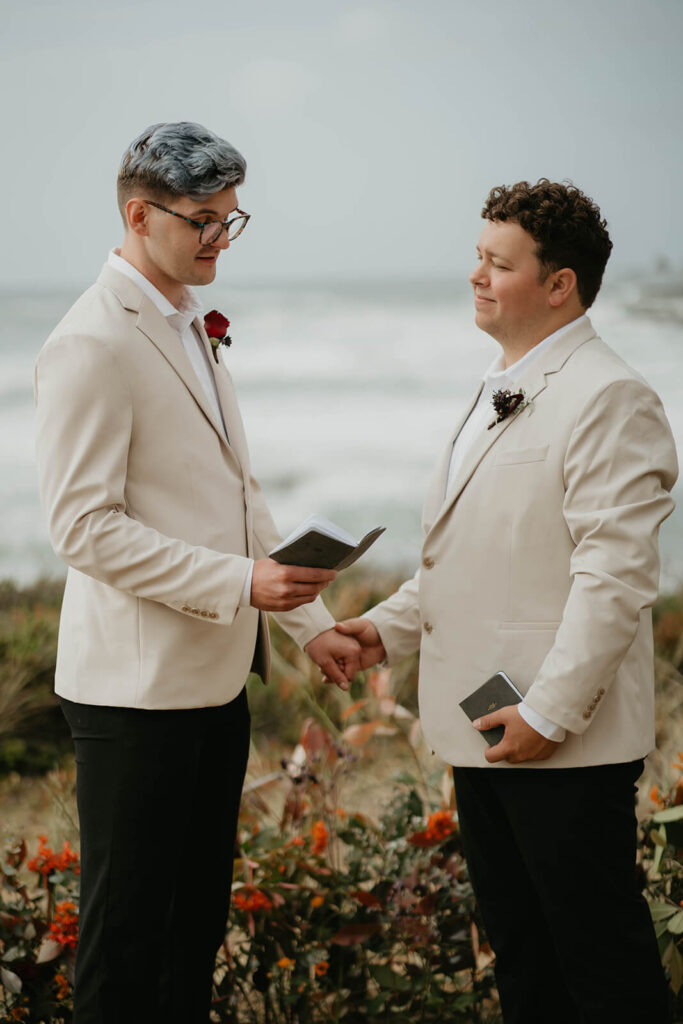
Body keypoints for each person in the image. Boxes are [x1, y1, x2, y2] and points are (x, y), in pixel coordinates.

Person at [324, 179, 678, 1023]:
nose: (476, 276)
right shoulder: (501, 382)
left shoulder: (609, 397)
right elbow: (471, 556)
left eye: (497, 263)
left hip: (560, 739)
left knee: (602, 969)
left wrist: (549, 714)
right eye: (477, 258)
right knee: (525, 963)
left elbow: (615, 576)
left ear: (559, 284)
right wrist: (383, 629)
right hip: (486, 725)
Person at [34, 121, 360, 1024]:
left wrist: (310, 622)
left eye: (230, 219)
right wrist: (237, 584)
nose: (220, 238)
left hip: (215, 684)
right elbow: (83, 527)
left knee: (192, 933)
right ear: (140, 216)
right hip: (133, 694)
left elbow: (239, 496)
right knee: (126, 941)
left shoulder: (191, 324)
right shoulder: (90, 341)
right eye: (202, 221)